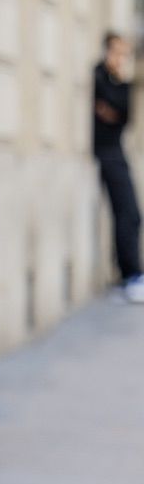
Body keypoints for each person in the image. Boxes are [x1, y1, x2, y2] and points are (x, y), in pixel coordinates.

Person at [93, 32, 144, 303]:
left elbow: (122, 113)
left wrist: (110, 109)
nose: (120, 59)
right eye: (117, 52)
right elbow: (105, 109)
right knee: (125, 212)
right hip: (105, 153)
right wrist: (108, 110)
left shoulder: (120, 83)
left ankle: (130, 273)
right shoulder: (98, 76)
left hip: (117, 151)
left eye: (124, 54)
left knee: (132, 214)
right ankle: (130, 275)